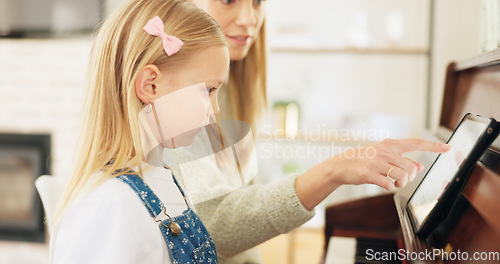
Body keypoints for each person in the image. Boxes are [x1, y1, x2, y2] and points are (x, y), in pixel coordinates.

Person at [161, 0, 452, 263]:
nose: (250, 18)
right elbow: (214, 227)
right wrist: (333, 170)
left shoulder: (236, 86)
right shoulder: (178, 96)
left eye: (258, 2)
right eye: (228, 0)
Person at [49, 0, 230, 263]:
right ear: (150, 86)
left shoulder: (165, 182)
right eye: (208, 90)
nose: (215, 109)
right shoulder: (107, 206)